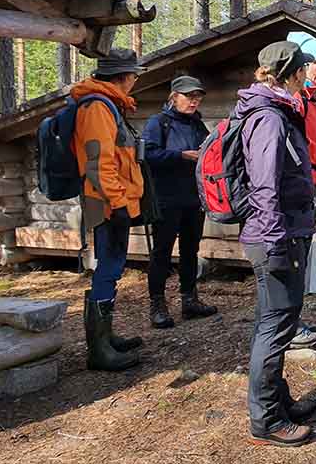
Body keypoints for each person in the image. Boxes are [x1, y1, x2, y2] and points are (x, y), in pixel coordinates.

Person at [239, 41, 316, 447]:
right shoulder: (269, 119)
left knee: (277, 322)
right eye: (304, 69)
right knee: (275, 326)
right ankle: (266, 419)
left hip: (281, 231)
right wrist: (277, 241)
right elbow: (265, 185)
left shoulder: (277, 111)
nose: (308, 74)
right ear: (290, 72)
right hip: (276, 236)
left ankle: (278, 400)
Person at [73, 49, 146, 371]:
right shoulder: (98, 109)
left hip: (109, 199)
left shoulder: (107, 105)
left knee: (112, 266)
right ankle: (99, 351)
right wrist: (117, 203)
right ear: (122, 77)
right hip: (105, 201)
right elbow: (97, 163)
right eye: (133, 75)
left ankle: (107, 337)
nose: (135, 81)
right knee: (108, 267)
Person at [142, 75, 218, 329]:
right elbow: (147, 154)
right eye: (189, 96)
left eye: (197, 96)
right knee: (161, 253)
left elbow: (210, 151)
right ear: (174, 97)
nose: (194, 100)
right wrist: (181, 156)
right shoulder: (158, 123)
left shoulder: (197, 124)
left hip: (194, 198)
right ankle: (158, 306)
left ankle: (189, 301)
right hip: (166, 199)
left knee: (190, 250)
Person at [286, 31, 316, 350]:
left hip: (310, 188)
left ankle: (293, 321)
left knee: (301, 260)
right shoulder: (295, 101)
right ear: (302, 65)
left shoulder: (311, 100)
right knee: (292, 261)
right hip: (295, 194)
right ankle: (286, 327)